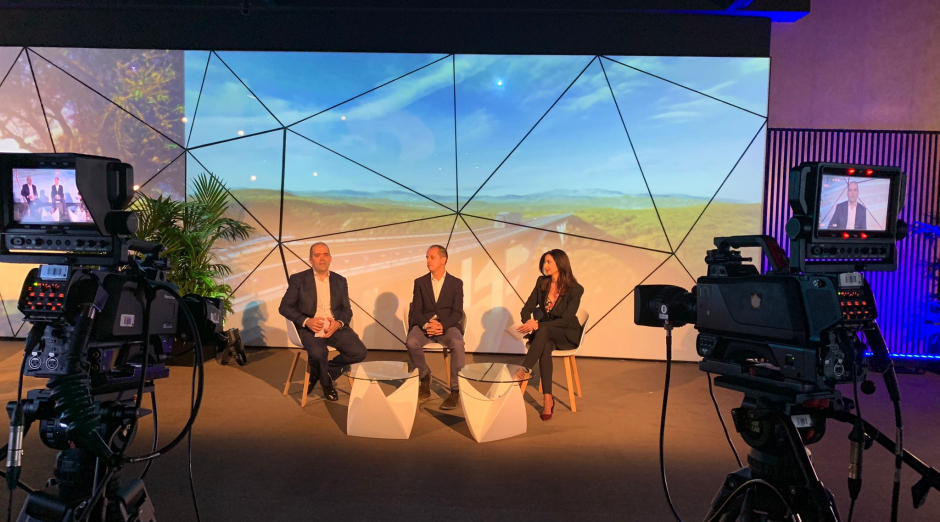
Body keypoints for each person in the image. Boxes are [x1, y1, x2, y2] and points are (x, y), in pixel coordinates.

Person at [279, 242, 367, 401]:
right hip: (310, 328)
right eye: (317, 255)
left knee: (359, 352)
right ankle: (327, 385)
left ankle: (321, 373)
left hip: (334, 327)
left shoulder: (340, 280)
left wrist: (338, 323)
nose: (322, 259)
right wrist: (307, 321)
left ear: (330, 258)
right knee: (319, 353)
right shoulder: (298, 279)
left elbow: (347, 310)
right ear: (310, 259)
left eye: (325, 255)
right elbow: (284, 307)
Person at [515, 249, 584, 421]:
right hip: (546, 334)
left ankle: (524, 370)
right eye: (544, 262)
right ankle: (548, 399)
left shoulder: (575, 289)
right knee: (544, 345)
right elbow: (526, 308)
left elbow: (566, 320)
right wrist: (529, 323)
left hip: (566, 335)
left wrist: (538, 325)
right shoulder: (542, 283)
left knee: (543, 331)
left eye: (549, 262)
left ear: (560, 263)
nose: (545, 266)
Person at [406, 245, 465, 410]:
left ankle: (455, 390)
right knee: (411, 342)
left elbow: (457, 312)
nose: (428, 261)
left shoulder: (456, 283)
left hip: (447, 326)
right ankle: (424, 376)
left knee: (458, 343)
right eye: (427, 257)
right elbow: (416, 311)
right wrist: (426, 325)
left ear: (443, 260)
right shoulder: (420, 282)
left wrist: (442, 325)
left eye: (432, 257)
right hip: (425, 325)